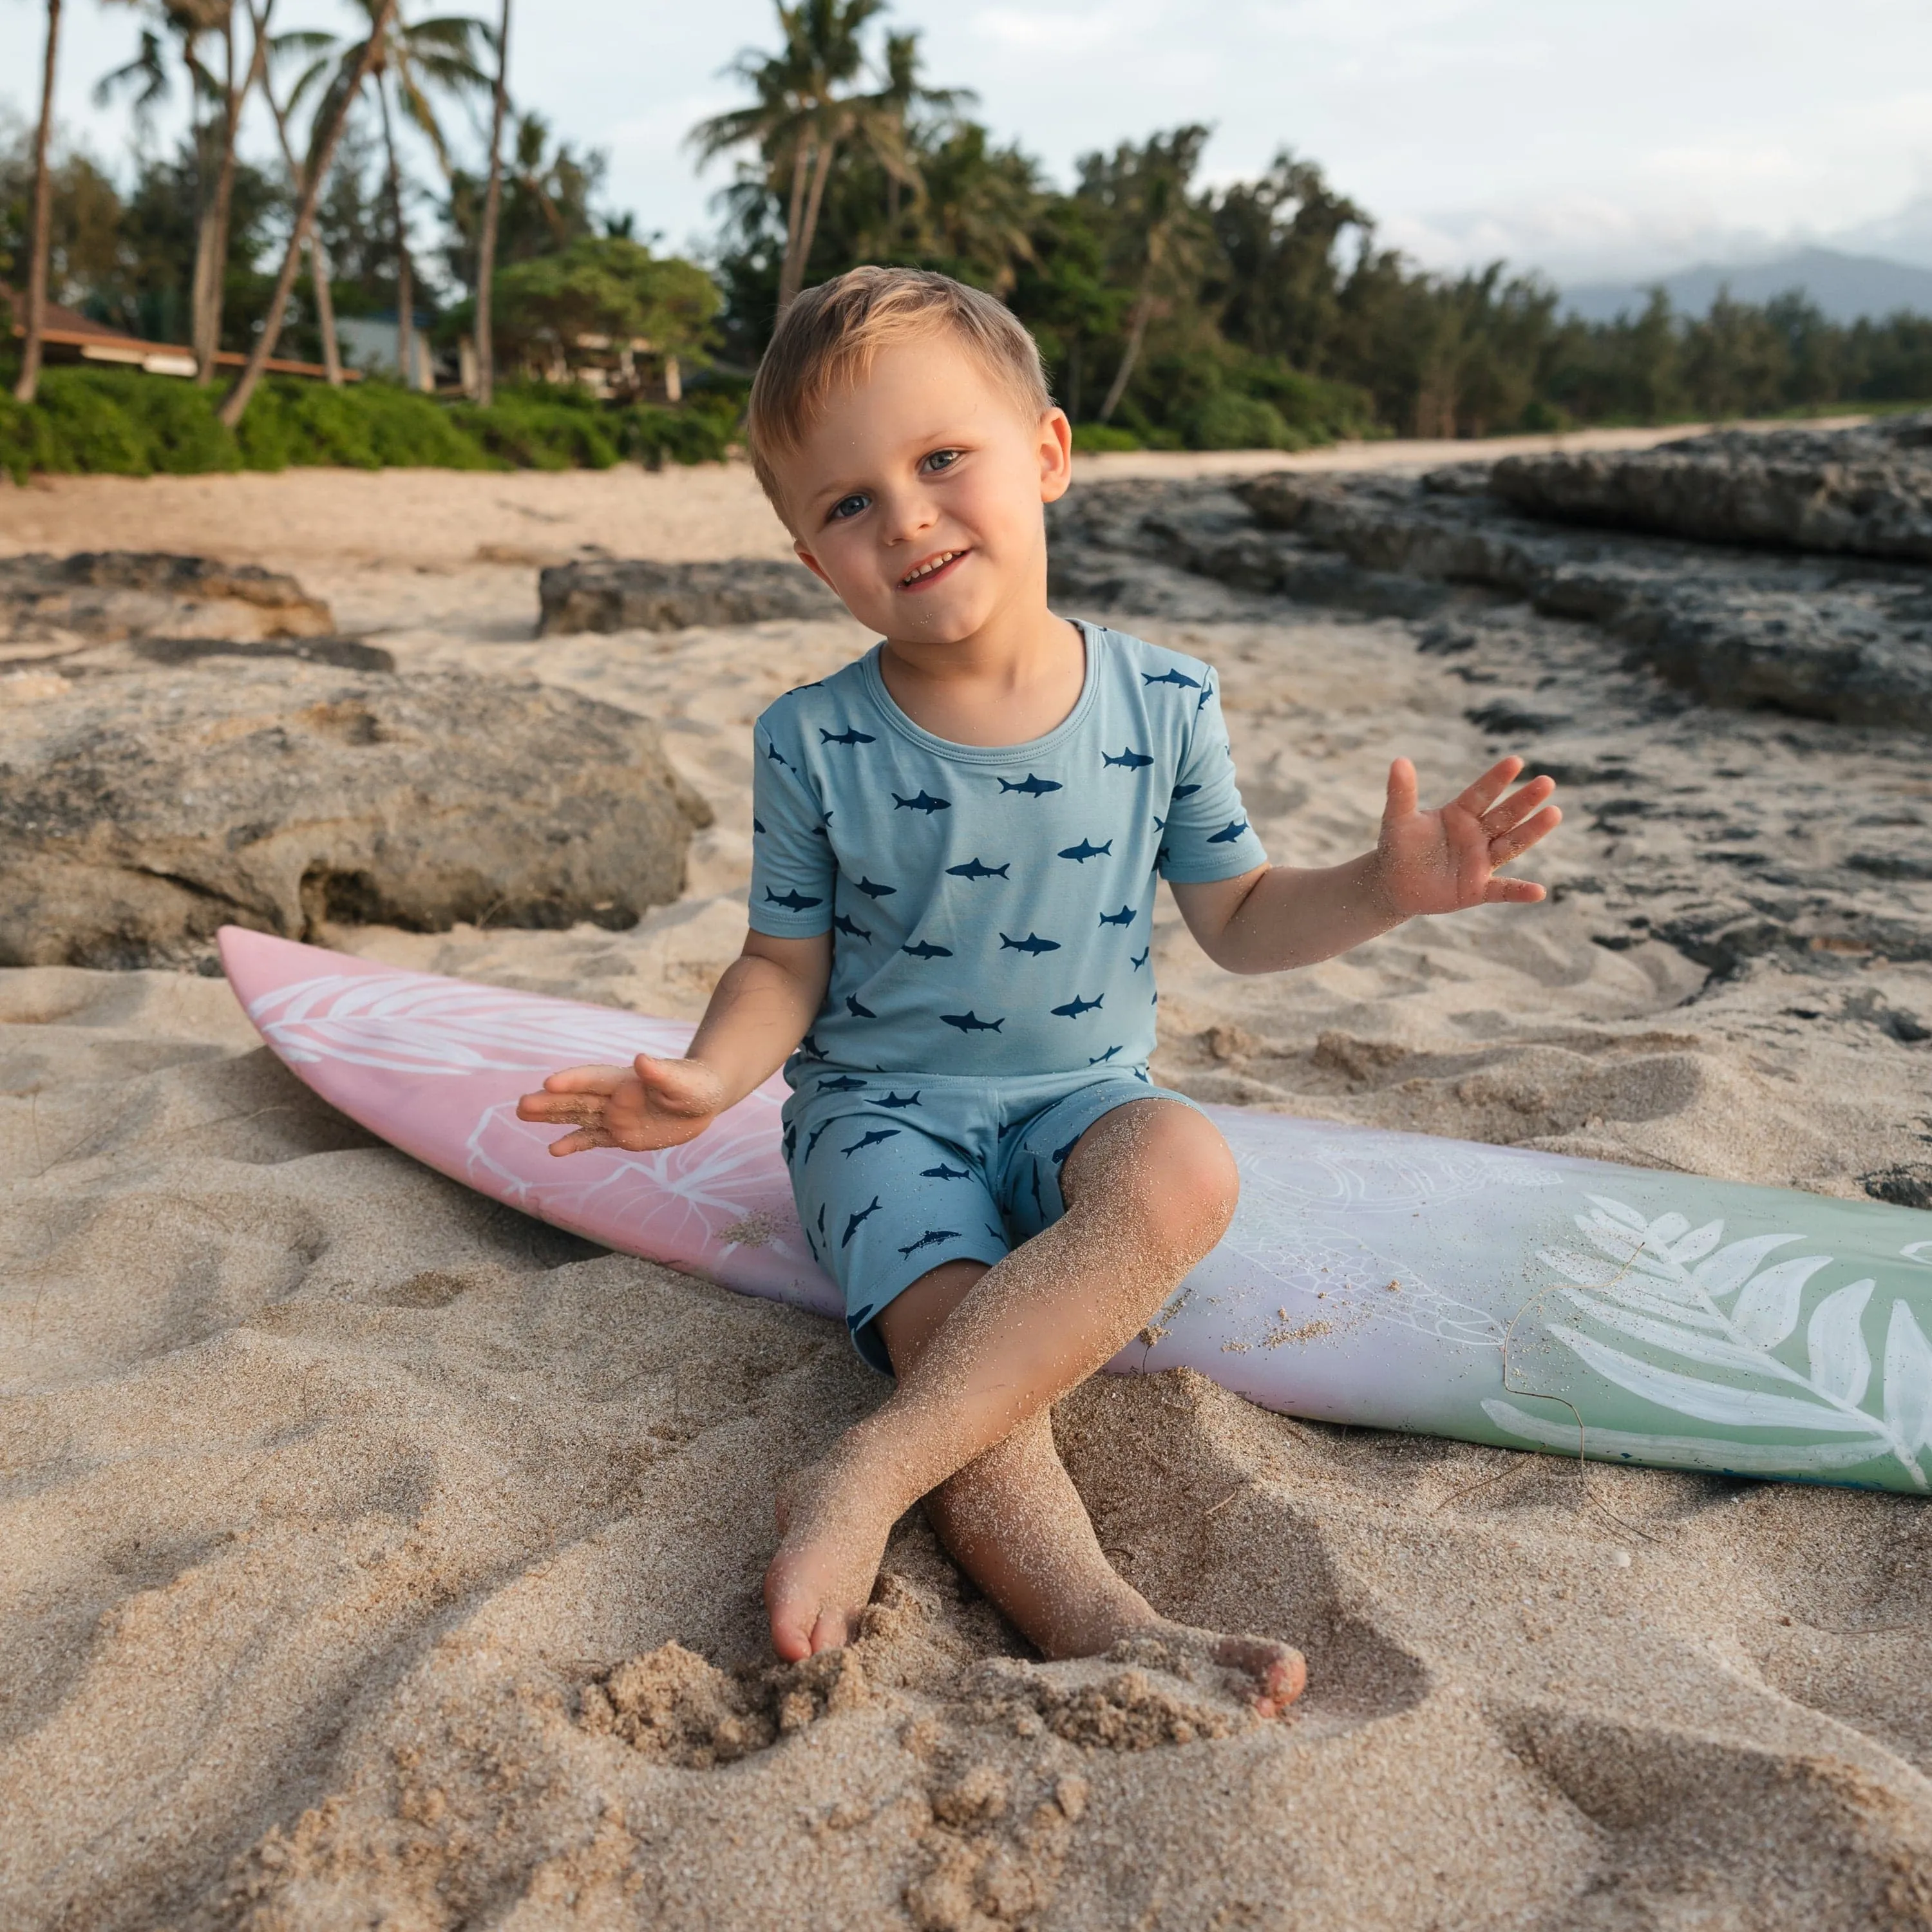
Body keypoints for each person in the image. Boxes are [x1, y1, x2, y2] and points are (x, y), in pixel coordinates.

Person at [517, 267, 1560, 1714]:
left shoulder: (1165, 702)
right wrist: (709, 1078)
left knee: (1187, 1164)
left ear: (1049, 456)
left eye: (943, 459)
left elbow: (1244, 920)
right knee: (967, 1356)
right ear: (816, 562)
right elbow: (780, 965)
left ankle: (865, 1461)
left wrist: (1385, 891)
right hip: (881, 1119)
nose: (909, 517)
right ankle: (1099, 1619)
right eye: (848, 504)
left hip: (1082, 1099)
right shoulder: (811, 741)